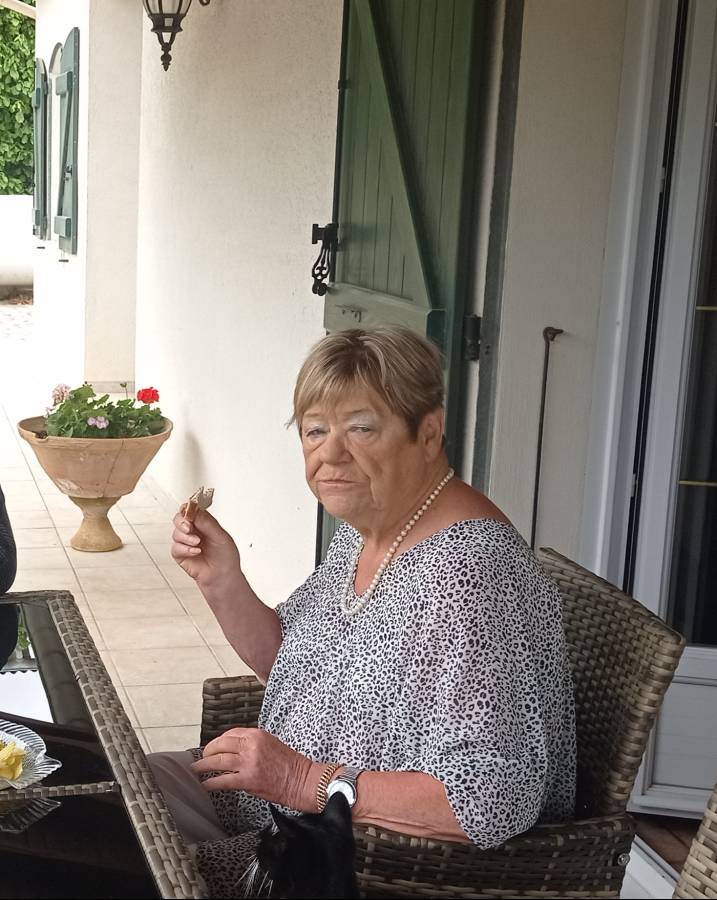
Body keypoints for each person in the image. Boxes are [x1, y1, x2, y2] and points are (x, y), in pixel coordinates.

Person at [148, 327, 576, 897]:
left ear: (429, 433)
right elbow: (289, 662)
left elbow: (491, 798)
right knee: (97, 791)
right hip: (264, 809)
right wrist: (221, 578)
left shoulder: (470, 575)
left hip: (333, 860)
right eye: (315, 430)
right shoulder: (366, 531)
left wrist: (301, 779)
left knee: (109, 858)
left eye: (360, 428)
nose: (330, 453)